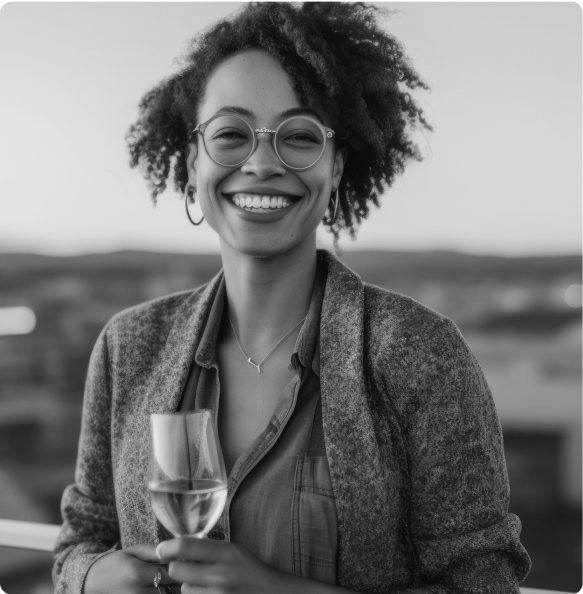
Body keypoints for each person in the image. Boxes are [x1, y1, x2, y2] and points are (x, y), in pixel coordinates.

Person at [53, 2, 531, 593]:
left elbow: (485, 581)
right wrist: (91, 577)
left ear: (335, 170)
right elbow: (81, 537)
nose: (261, 163)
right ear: (190, 164)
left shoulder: (419, 351)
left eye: (299, 137)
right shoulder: (128, 346)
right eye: (230, 134)